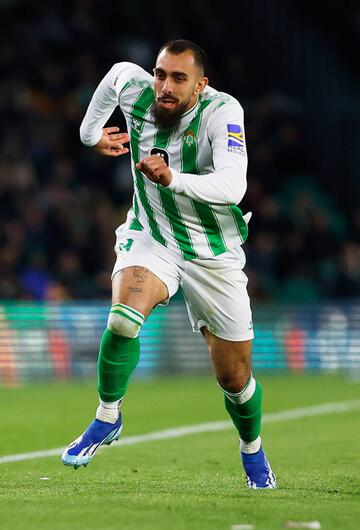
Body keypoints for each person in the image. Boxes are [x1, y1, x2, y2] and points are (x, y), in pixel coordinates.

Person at [62, 39, 276, 489]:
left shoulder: (223, 111)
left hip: (212, 250)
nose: (165, 86)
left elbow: (233, 185)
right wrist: (91, 136)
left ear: (201, 85)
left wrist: (173, 178)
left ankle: (252, 449)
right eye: (161, 74)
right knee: (122, 320)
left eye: (179, 78)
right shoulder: (133, 85)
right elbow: (112, 81)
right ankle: (107, 416)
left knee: (234, 379)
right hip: (152, 235)